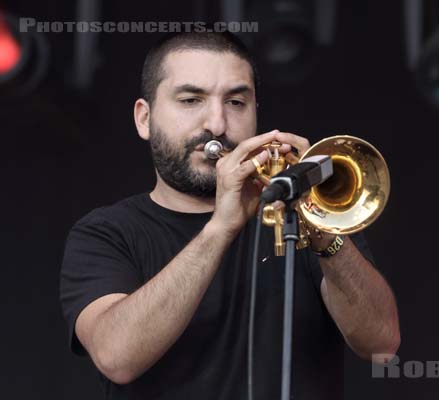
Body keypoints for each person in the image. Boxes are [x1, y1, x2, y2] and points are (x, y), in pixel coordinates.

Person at [60, 31, 400, 400]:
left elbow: (381, 344)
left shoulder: (309, 219)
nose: (218, 124)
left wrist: (318, 221)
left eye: (237, 102)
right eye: (191, 100)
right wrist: (221, 228)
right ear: (144, 118)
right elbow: (117, 356)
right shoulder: (106, 232)